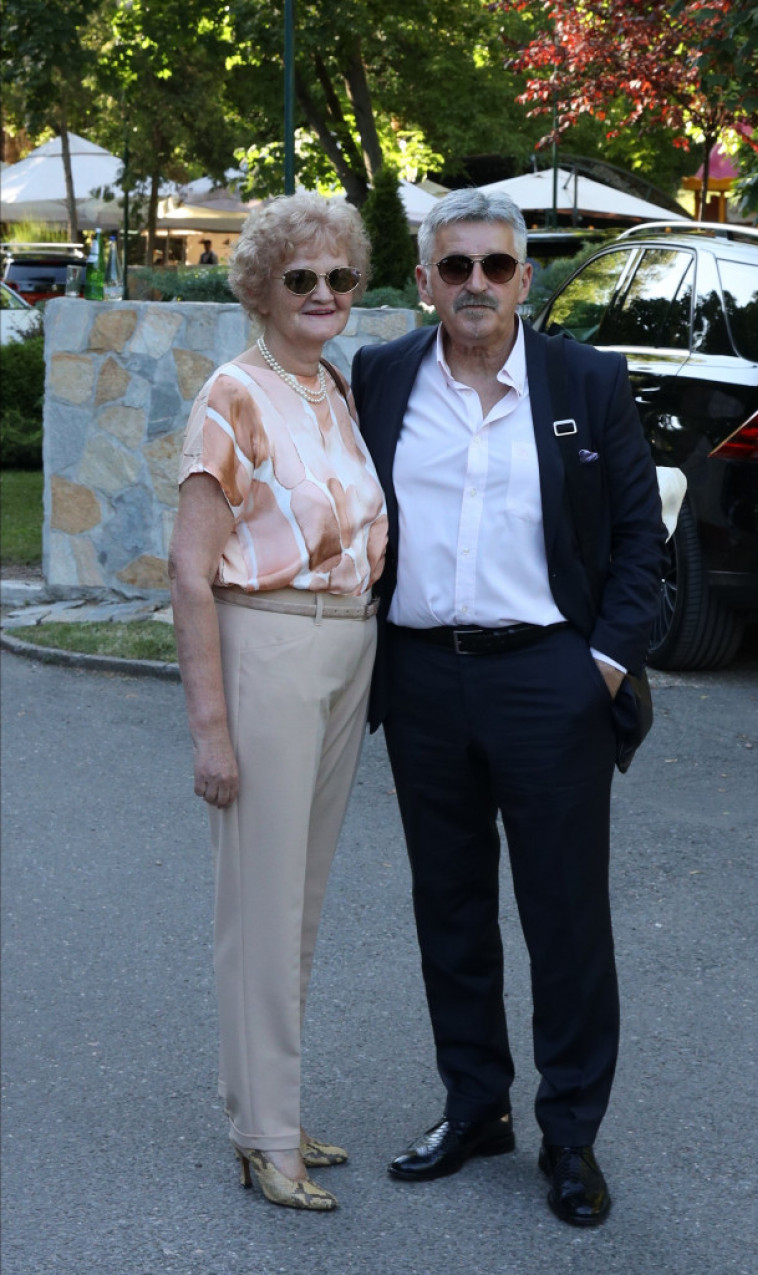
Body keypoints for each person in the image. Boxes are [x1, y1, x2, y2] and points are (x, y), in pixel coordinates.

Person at [351, 189, 667, 1227]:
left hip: (550, 680)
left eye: (495, 265)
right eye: (456, 267)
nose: (476, 283)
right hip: (423, 678)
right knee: (448, 906)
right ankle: (475, 1106)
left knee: (564, 916)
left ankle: (570, 1134)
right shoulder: (382, 375)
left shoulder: (586, 379)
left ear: (525, 278)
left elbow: (640, 541)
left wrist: (603, 668)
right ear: (425, 282)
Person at [168, 193, 386, 1212]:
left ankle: (275, 1109)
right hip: (269, 646)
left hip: (347, 648)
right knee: (260, 902)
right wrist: (211, 729)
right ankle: (262, 1137)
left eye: (340, 276)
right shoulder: (235, 393)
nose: (323, 292)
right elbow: (189, 569)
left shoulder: (333, 388)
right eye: (302, 277)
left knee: (298, 901)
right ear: (261, 286)